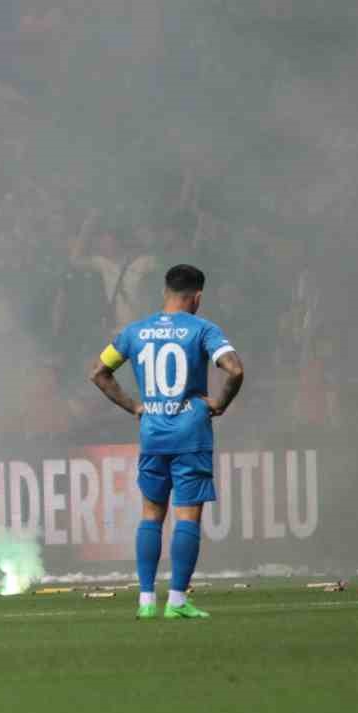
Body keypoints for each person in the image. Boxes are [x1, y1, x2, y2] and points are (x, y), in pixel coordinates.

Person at [89, 264, 245, 619]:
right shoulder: (203, 329)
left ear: (166, 292)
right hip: (191, 435)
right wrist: (219, 403)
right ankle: (176, 602)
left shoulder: (135, 332)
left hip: (153, 436)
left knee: (151, 515)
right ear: (198, 298)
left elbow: (98, 372)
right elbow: (234, 369)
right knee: (187, 517)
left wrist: (134, 406)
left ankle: (145, 601)